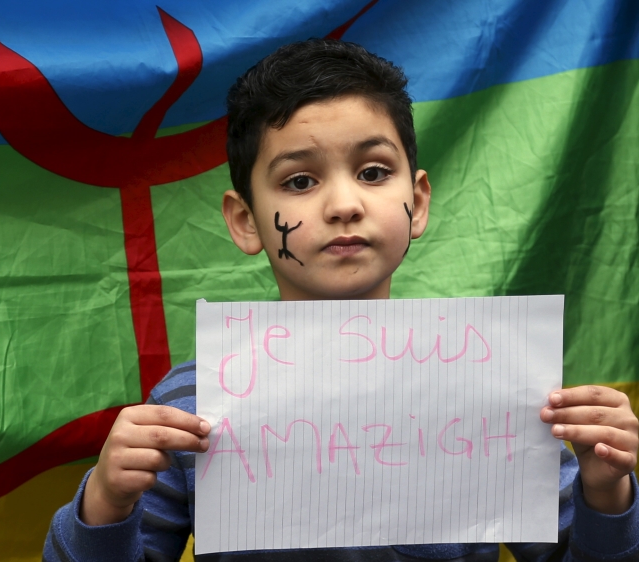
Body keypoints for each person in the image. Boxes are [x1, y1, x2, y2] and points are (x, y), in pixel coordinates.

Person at [44, 39, 639, 561]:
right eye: (300, 181)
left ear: (419, 200)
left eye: (375, 171)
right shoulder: (191, 404)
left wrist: (607, 491)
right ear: (246, 220)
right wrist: (105, 503)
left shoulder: (496, 387)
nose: (344, 204)